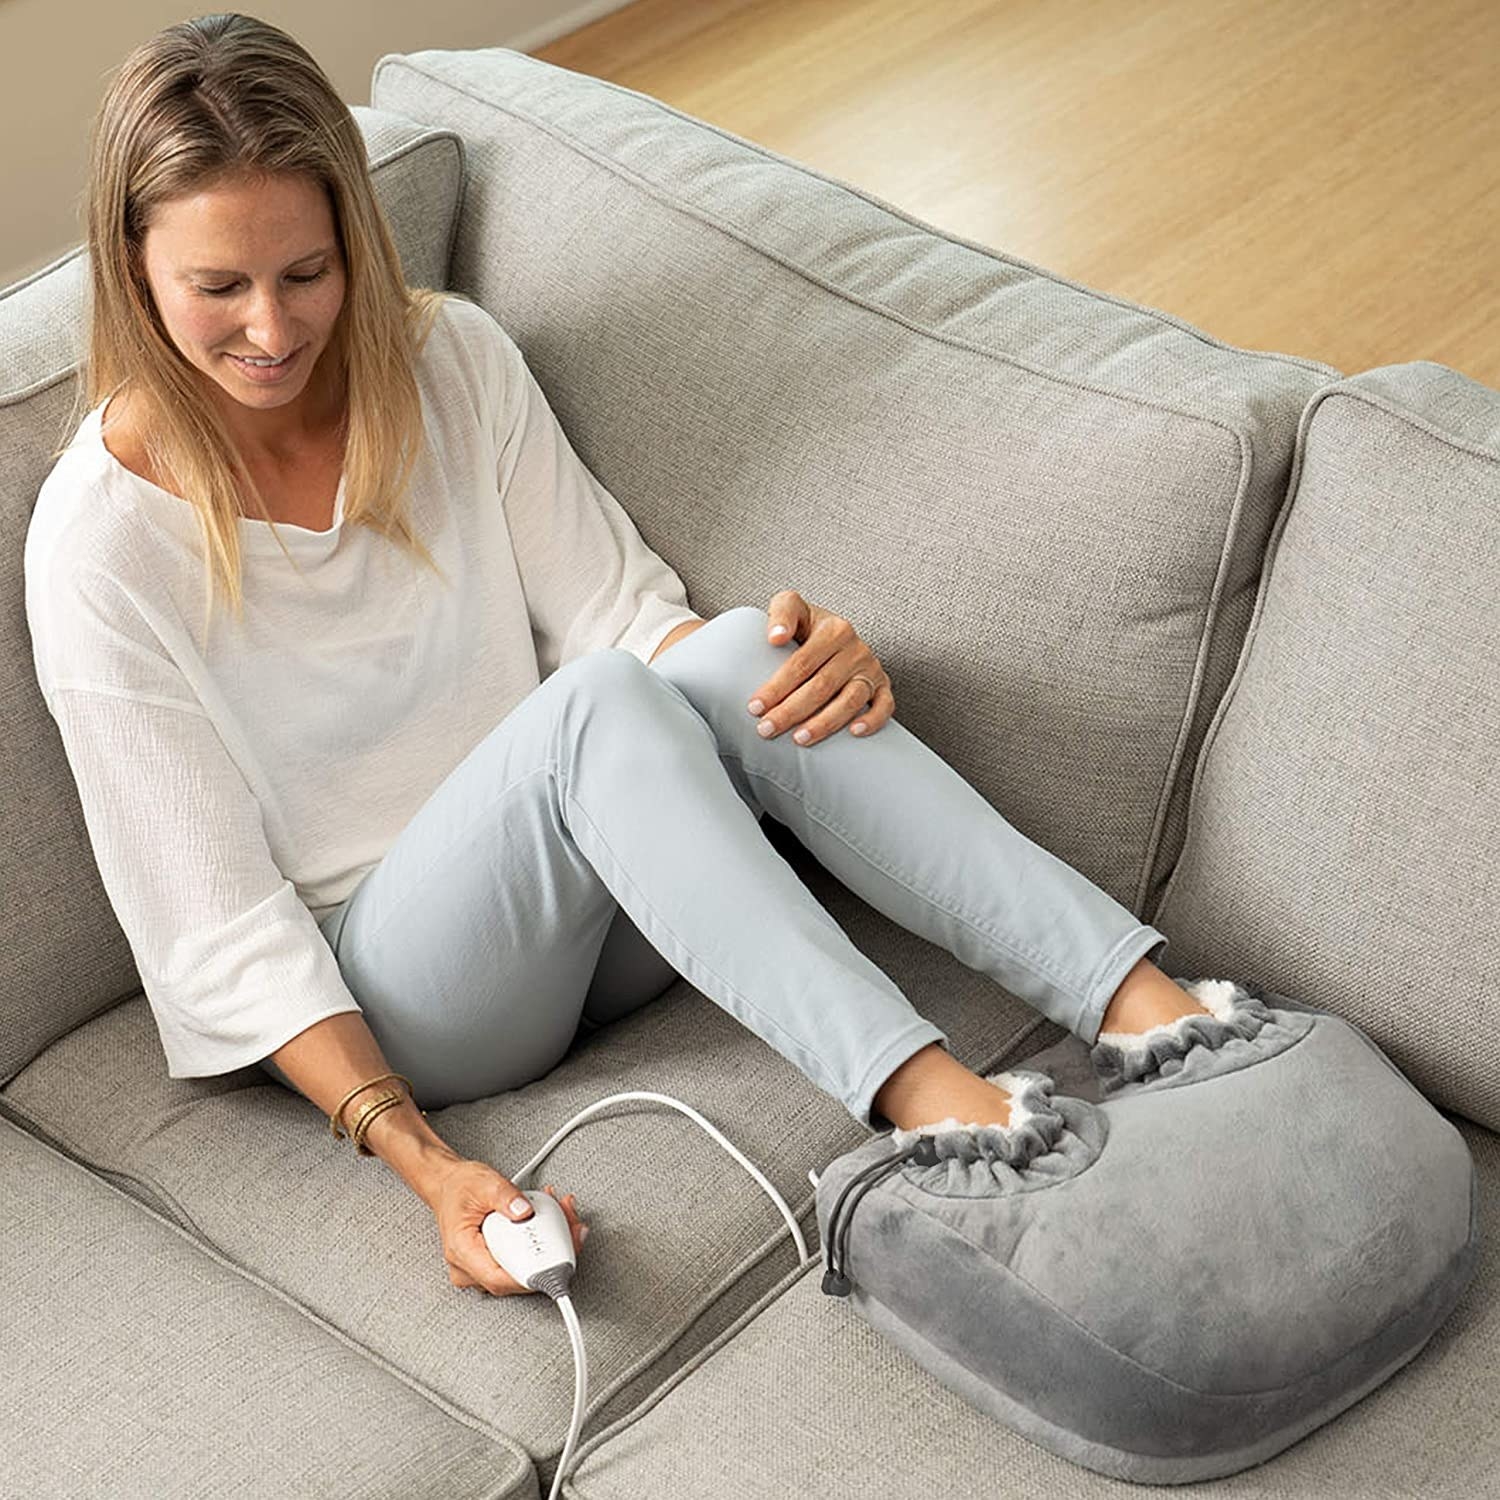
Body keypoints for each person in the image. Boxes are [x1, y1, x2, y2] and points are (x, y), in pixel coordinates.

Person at [25, 13, 1213, 1301]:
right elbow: (216, 931)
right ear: (134, 269)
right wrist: (430, 1168)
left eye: (306, 273)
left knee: (720, 655)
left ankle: (1160, 1012)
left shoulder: (452, 359)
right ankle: (946, 1114)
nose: (271, 327)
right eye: (219, 288)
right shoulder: (99, 544)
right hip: (411, 990)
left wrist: (796, 665)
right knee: (599, 705)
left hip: (612, 890)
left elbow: (622, 618)